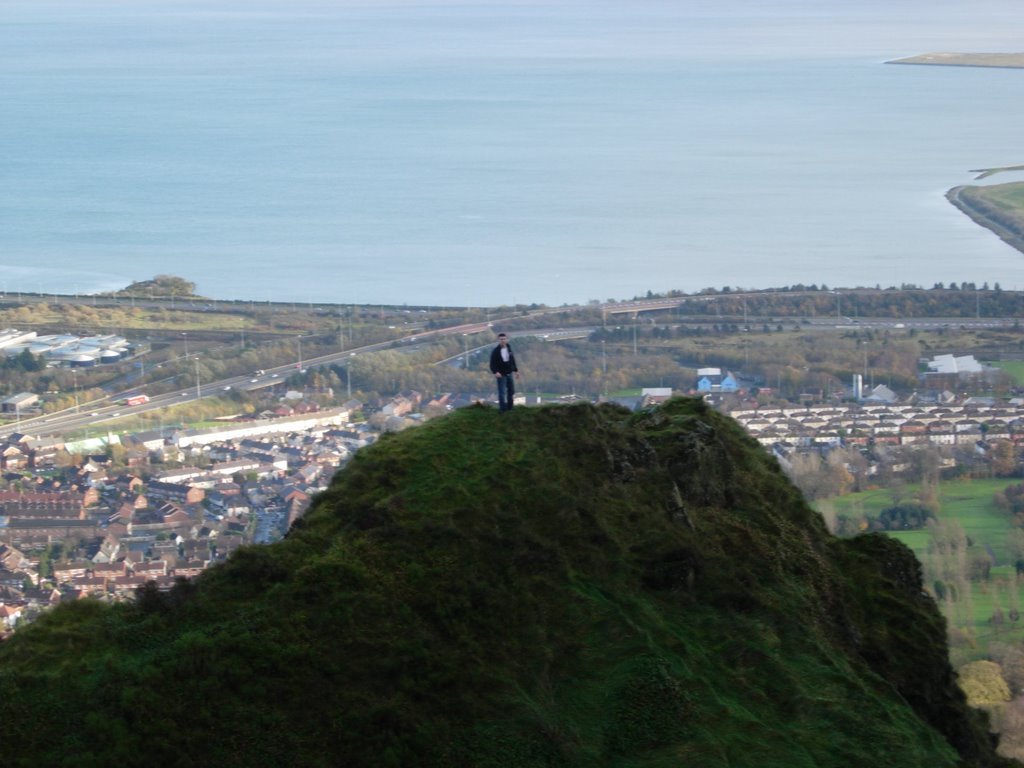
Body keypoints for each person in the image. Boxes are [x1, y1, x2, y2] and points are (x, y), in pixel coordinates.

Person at [489, 332, 519, 411]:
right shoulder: (496, 351)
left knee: (511, 391)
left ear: (506, 340)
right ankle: (502, 410)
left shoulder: (509, 348)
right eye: (501, 339)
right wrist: (496, 372)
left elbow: (512, 360)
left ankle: (510, 408)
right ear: (498, 340)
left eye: (504, 339)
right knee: (502, 393)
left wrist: (516, 371)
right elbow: (492, 364)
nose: (502, 341)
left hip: (509, 373)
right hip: (501, 375)